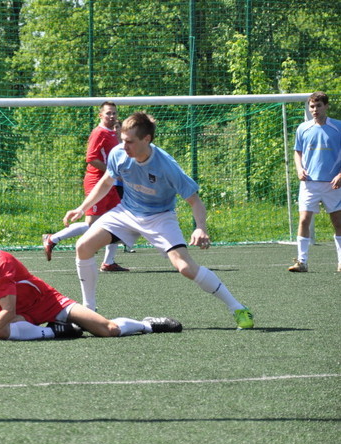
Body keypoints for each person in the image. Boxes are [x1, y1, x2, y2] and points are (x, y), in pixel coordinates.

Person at [63, 112, 254, 330]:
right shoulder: (118, 154)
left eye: (130, 141)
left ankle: (238, 308)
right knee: (83, 246)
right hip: (127, 211)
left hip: (160, 216)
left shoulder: (167, 166)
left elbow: (195, 202)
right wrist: (81, 208)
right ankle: (89, 311)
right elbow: (106, 183)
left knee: (185, 267)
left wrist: (201, 228)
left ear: (146, 139)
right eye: (122, 140)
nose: (124, 146)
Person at [0, 229, 182, 344]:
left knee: (108, 330)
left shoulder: (1, 263)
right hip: (23, 313)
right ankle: (56, 332)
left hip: (50, 303)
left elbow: (7, 311)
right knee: (0, 330)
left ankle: (148, 324)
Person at [42, 102, 129, 271]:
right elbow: (91, 158)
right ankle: (52, 239)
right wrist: (112, 172)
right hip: (97, 182)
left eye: (114, 113)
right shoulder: (99, 133)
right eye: (108, 113)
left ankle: (108, 262)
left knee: (118, 221)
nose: (112, 116)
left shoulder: (112, 133)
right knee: (92, 225)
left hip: (109, 183)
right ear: (100, 115)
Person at [287, 91, 341, 273]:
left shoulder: (338, 127)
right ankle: (302, 262)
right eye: (312, 106)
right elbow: (297, 152)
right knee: (304, 220)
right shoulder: (303, 128)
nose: (315, 110)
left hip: (333, 184)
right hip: (309, 183)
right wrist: (299, 169)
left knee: (338, 222)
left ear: (326, 106)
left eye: (318, 106)